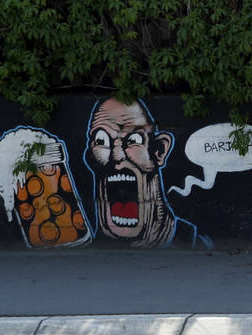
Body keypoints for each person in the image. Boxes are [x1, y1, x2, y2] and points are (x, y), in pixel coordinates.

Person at [83, 98, 210, 249]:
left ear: (160, 151)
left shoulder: (195, 243)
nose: (117, 156)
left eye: (133, 140)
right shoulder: (81, 237)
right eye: (101, 140)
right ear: (89, 156)